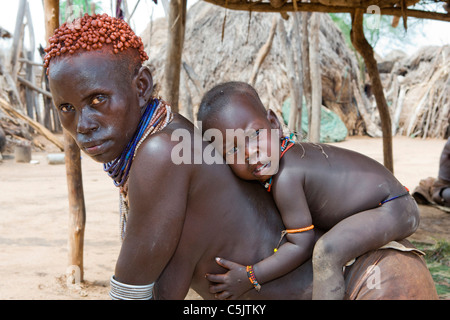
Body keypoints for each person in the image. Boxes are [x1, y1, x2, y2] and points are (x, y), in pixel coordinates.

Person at [45, 14, 436, 301]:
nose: (83, 125)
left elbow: (130, 291)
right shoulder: (171, 139)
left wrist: (250, 275)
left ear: (142, 85)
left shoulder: (161, 150)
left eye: (98, 100)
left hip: (374, 284)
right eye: (66, 109)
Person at [197, 81, 420, 300]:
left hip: (393, 207)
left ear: (274, 124)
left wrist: (250, 276)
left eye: (255, 134)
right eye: (233, 149)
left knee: (327, 251)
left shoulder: (287, 176)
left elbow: (300, 245)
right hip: (384, 203)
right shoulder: (280, 164)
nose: (249, 152)